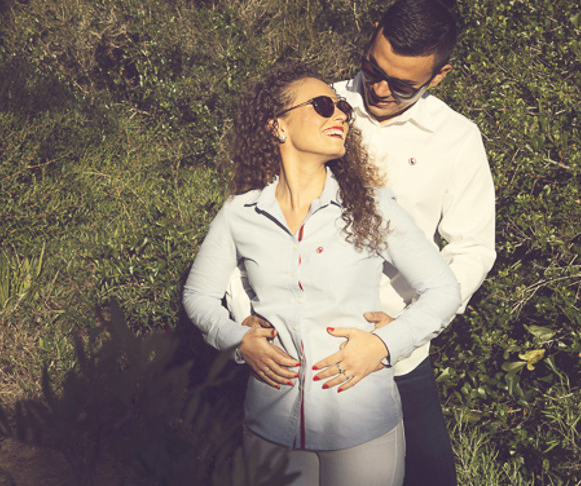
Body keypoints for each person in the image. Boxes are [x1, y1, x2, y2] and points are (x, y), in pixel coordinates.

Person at [227, 0, 496, 485]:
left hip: (398, 360)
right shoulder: (311, 104)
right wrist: (243, 314)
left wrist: (397, 335)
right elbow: (246, 221)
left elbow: (472, 248)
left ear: (440, 75)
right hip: (291, 359)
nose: (379, 88)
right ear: (372, 35)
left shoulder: (457, 138)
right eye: (373, 68)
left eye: (402, 84)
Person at [184, 61, 461, 484]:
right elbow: (198, 296)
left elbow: (443, 290)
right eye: (321, 106)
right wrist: (239, 341)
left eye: (342, 109)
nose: (339, 116)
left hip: (362, 424)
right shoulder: (239, 214)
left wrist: (385, 345)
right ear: (277, 126)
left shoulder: (372, 207)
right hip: (270, 425)